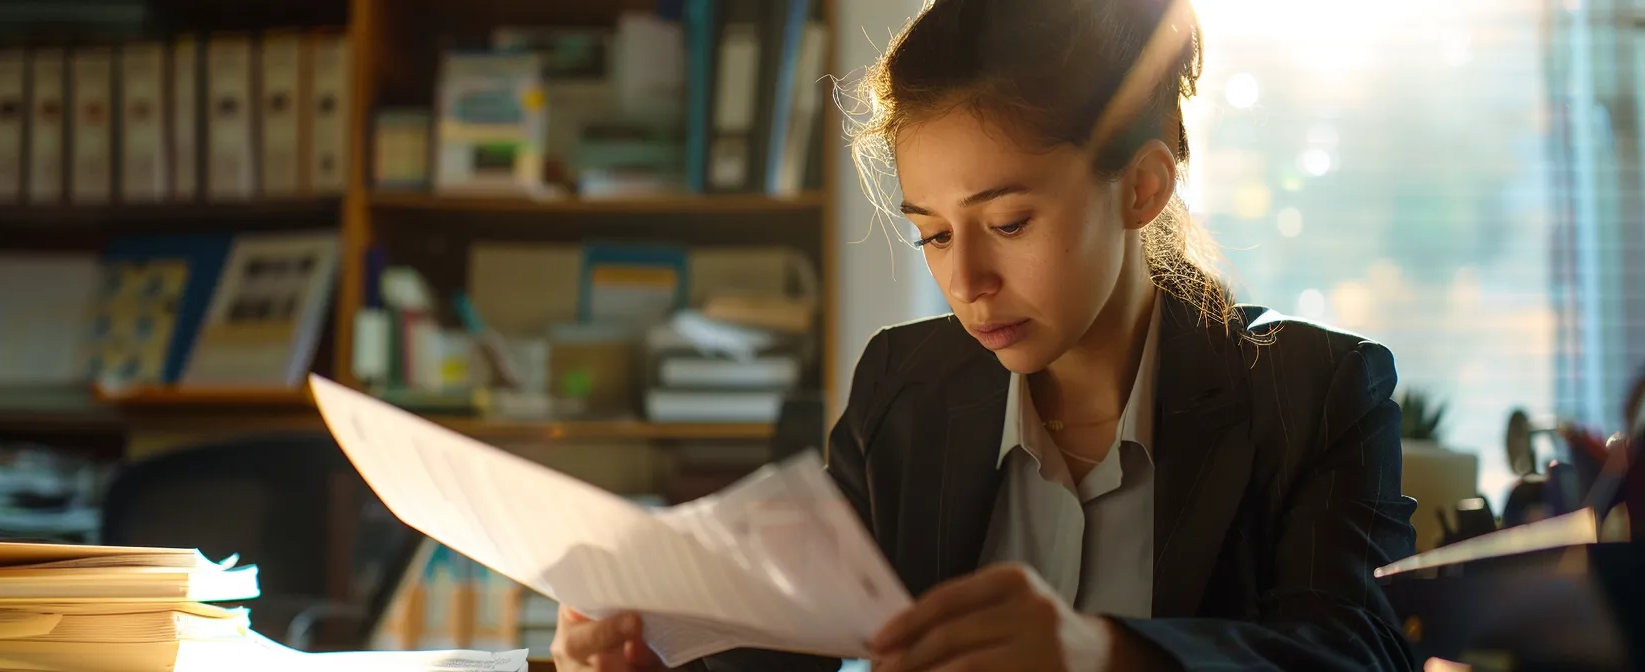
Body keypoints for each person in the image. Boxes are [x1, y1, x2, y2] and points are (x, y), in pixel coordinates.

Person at [552, 0, 1418, 669]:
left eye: (1007, 222)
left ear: (1142, 188)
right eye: (932, 233)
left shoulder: (1315, 392)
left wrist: (1104, 655)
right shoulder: (905, 389)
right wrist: (649, 646)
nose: (966, 284)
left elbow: (1356, 654)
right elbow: (775, 643)